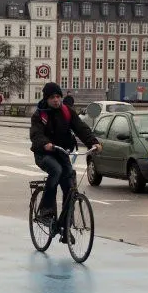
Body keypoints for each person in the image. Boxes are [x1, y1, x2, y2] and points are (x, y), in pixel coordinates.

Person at [30, 82, 101, 221]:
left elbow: (81, 128)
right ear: (46, 99)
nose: (56, 100)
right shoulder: (40, 115)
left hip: (61, 153)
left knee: (69, 183)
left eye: (58, 96)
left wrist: (93, 143)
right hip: (44, 154)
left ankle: (66, 224)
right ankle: (46, 210)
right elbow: (36, 134)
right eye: (52, 97)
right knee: (56, 170)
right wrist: (45, 144)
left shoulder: (67, 111)